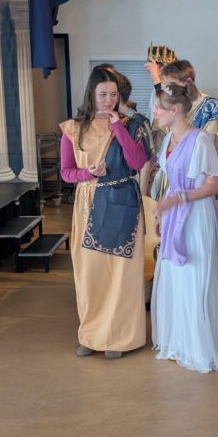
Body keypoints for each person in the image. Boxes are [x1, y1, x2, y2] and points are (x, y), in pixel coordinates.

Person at [59, 66, 151, 359]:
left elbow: (137, 162)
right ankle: (91, 335)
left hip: (122, 201)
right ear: (91, 94)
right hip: (88, 204)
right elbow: (66, 172)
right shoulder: (73, 128)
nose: (109, 100)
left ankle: (119, 338)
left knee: (121, 274)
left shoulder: (131, 124)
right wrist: (87, 173)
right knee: (91, 274)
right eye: (103, 94)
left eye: (113, 94)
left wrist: (117, 128)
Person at [150, 83, 218, 373]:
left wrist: (180, 198)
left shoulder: (200, 140)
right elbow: (169, 182)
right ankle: (178, 343)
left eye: (158, 108)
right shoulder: (168, 140)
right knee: (175, 278)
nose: (154, 112)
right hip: (174, 214)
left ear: (175, 109)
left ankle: (197, 348)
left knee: (193, 278)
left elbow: (213, 185)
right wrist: (161, 213)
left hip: (195, 216)